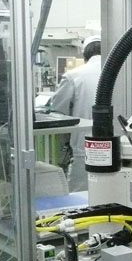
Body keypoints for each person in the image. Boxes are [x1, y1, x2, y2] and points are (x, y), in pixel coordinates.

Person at [49, 36, 101, 192]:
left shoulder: (74, 76)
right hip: (122, 149)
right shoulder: (125, 74)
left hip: (85, 148)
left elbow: (57, 110)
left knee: (81, 197)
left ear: (85, 55)